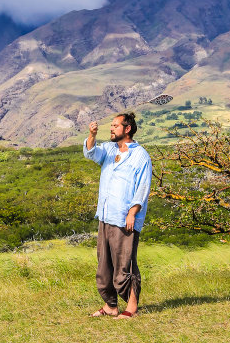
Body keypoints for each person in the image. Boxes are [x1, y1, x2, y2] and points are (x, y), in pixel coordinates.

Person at [83, 112, 152, 319]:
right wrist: (92, 135)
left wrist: (132, 213)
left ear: (127, 128)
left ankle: (131, 306)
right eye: (111, 125)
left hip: (125, 218)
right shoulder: (109, 149)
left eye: (115, 125)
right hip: (106, 215)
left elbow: (143, 187)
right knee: (104, 264)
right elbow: (91, 153)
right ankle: (110, 305)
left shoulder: (141, 155)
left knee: (125, 263)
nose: (111, 128)